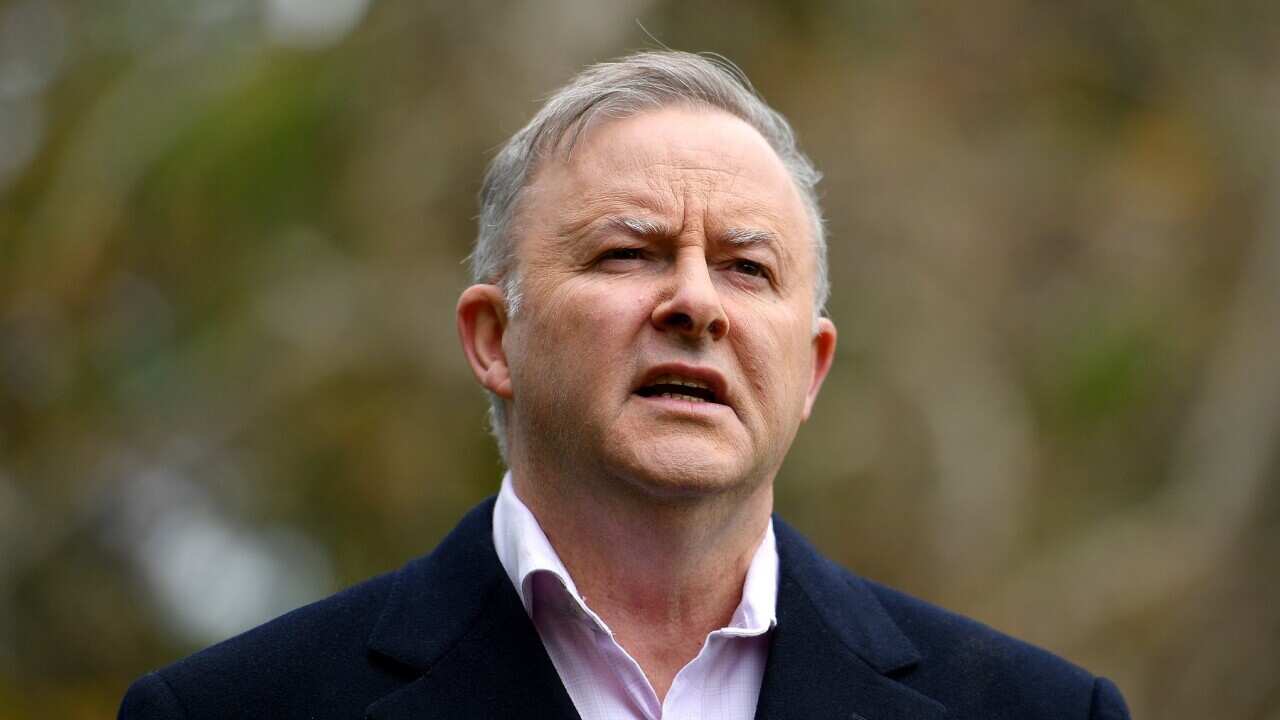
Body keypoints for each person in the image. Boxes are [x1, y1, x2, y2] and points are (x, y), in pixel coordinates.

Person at [119, 51, 1130, 720]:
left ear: (810, 367)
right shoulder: (231, 710)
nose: (695, 303)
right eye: (626, 254)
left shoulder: (1040, 712)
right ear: (492, 338)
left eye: (746, 268)